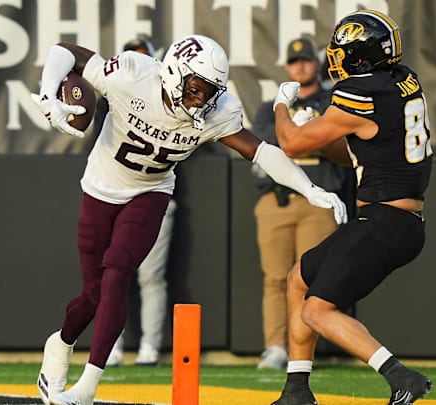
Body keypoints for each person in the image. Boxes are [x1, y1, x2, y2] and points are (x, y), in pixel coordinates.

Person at [31, 34, 348, 405]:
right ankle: (61, 343)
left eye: (210, 92)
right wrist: (50, 93)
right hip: (101, 188)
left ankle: (87, 386)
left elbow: (260, 152)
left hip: (151, 193)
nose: (201, 101)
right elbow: (66, 51)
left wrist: (309, 188)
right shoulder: (133, 74)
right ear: (174, 74)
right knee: (93, 294)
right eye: (196, 88)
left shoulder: (216, 112)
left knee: (118, 271)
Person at [269, 10, 434, 405]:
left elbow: (290, 144)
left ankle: (399, 376)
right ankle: (297, 390)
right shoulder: (401, 81)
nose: (337, 60)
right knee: (298, 279)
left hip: (385, 219)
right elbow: (357, 155)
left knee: (316, 311)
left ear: (360, 57)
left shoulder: (361, 92)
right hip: (393, 219)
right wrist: (324, 136)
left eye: (344, 53)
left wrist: (281, 105)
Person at [250, 37, 355, 370]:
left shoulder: (332, 100)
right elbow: (266, 142)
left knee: (310, 277)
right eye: (294, 62)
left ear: (316, 64)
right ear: (286, 67)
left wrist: (297, 139)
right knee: (274, 278)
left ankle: (302, 350)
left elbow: (332, 139)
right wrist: (303, 136)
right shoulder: (269, 107)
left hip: (320, 197)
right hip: (277, 199)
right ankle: (275, 347)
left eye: (306, 61)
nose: (301, 67)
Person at [104, 37, 171, 368]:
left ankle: (150, 346)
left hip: (153, 196)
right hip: (114, 195)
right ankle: (110, 344)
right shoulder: (115, 94)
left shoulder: (175, 101)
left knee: (150, 276)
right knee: (113, 273)